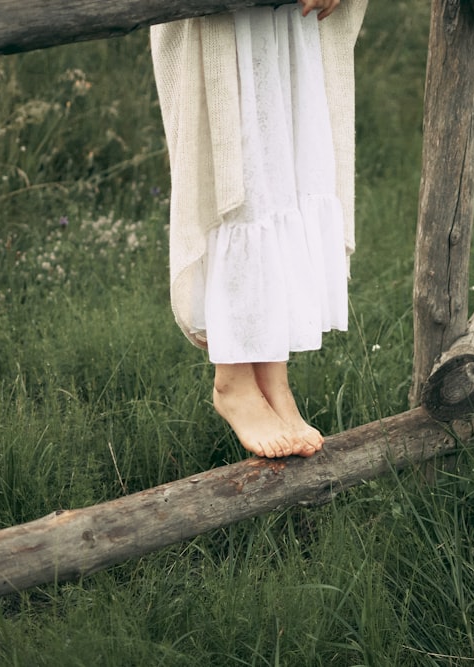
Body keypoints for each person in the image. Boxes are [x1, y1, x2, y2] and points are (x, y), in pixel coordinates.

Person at [151, 0, 367, 458]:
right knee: (242, 171)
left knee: (283, 172)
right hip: (228, 16)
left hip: (290, 17)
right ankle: (233, 380)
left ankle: (272, 379)